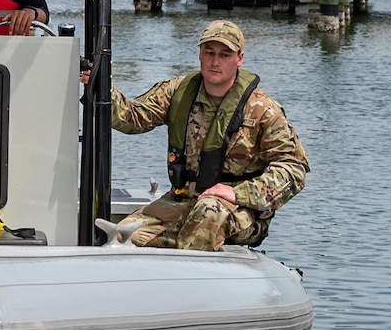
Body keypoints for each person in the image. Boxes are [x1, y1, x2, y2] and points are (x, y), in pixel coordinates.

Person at [108, 20, 309, 251]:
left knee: (209, 212)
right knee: (122, 237)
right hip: (183, 200)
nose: (215, 62)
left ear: (239, 59)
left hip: (240, 211)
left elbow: (293, 170)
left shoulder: (262, 109)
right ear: (199, 54)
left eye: (224, 55)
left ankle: (193, 277)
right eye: (209, 52)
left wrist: (238, 193)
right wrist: (101, 85)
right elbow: (132, 118)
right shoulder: (178, 92)